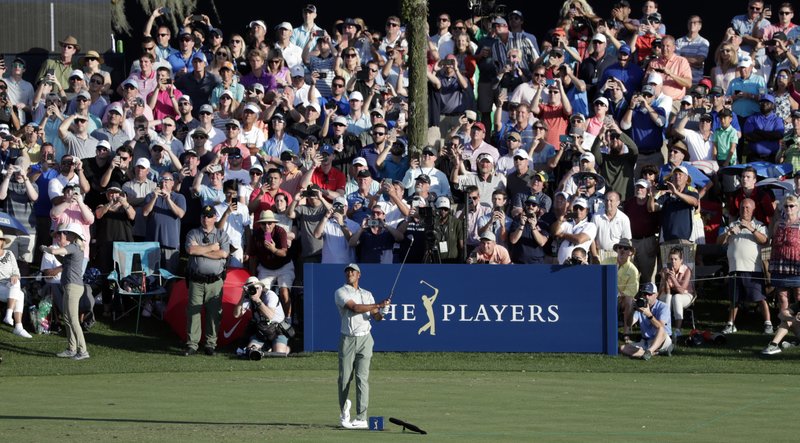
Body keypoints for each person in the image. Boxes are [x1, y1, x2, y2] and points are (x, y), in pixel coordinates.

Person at [336, 263, 390, 429]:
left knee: (362, 378)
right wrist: (379, 305)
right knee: (345, 379)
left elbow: (376, 317)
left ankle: (361, 417)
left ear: (359, 275)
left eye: (353, 271)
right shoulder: (341, 292)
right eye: (347, 271)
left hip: (366, 339)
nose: (349, 273)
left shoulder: (367, 294)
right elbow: (355, 308)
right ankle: (344, 409)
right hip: (348, 340)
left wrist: (384, 311)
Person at [718, 198, 771, 334]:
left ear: (753, 210)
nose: (744, 210)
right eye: (742, 207)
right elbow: (719, 242)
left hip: (753, 269)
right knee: (734, 299)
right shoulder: (732, 225)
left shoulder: (759, 225)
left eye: (747, 208)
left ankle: (768, 323)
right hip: (735, 268)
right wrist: (729, 232)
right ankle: (730, 324)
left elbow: (765, 241)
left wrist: (750, 229)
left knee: (760, 298)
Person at [184, 205, 230, 356]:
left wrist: (201, 251)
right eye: (203, 216)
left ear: (215, 218)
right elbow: (191, 250)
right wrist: (211, 248)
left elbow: (223, 254)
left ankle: (210, 345)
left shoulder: (222, 235)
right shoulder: (193, 233)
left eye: (209, 216)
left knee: (213, 314)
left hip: (215, 281)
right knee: (193, 312)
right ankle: (192, 345)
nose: (206, 219)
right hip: (196, 280)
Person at [42, 223, 88, 359]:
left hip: (73, 286)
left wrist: (45, 248)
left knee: (73, 320)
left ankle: (83, 351)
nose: (65, 235)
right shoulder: (74, 247)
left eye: (67, 233)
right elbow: (63, 258)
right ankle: (71, 348)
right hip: (70, 285)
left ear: (74, 235)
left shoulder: (74, 246)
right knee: (68, 319)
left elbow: (56, 251)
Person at [233, 276, 290, 357]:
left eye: (256, 288)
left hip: (278, 331)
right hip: (262, 332)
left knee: (279, 354)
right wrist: (242, 297)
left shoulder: (270, 295)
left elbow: (270, 315)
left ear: (261, 287)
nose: (254, 291)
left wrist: (257, 300)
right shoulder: (249, 297)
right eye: (251, 288)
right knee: (251, 352)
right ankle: (266, 347)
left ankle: (282, 348)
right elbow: (236, 315)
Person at [619, 282, 673, 360]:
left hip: (663, 339)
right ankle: (652, 353)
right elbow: (629, 324)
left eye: (649, 294)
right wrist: (632, 311)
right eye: (644, 294)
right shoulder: (640, 306)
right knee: (622, 348)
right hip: (646, 341)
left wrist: (649, 315)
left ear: (656, 295)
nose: (646, 297)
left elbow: (660, 326)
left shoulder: (663, 307)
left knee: (661, 329)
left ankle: (650, 351)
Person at [769, 194, 800, 313]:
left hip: (796, 264)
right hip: (779, 263)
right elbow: (773, 243)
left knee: (798, 296)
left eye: (792, 206)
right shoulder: (778, 224)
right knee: (782, 296)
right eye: (786, 206)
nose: (789, 209)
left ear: (797, 207)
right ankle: (785, 323)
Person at [658, 247, 695, 338]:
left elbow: (682, 290)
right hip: (670, 294)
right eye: (671, 259)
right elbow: (666, 292)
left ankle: (678, 330)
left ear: (681, 260)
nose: (673, 261)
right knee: (669, 297)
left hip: (686, 294)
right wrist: (665, 279)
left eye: (676, 259)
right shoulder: (666, 270)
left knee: (677, 297)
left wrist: (673, 278)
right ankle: (665, 328)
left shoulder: (687, 270)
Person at [0, 229, 31, 338]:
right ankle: (18, 327)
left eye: (0, 240)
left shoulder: (9, 253)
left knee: (16, 282)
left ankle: (9, 316)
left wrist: (14, 276)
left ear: (3, 242)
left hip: (10, 285)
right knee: (20, 294)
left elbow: (17, 272)